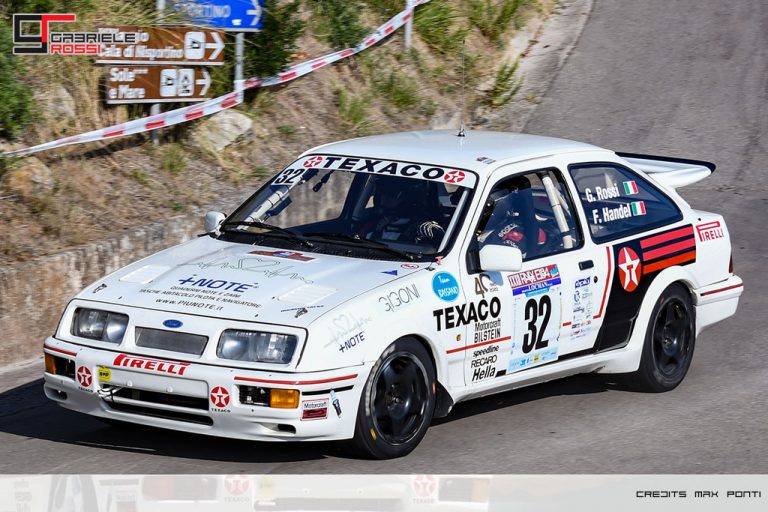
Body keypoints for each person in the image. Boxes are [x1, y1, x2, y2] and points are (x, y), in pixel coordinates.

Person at [358, 176, 444, 245]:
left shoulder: (425, 230)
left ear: (409, 199)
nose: (383, 199)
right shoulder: (370, 224)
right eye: (381, 193)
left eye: (391, 195)